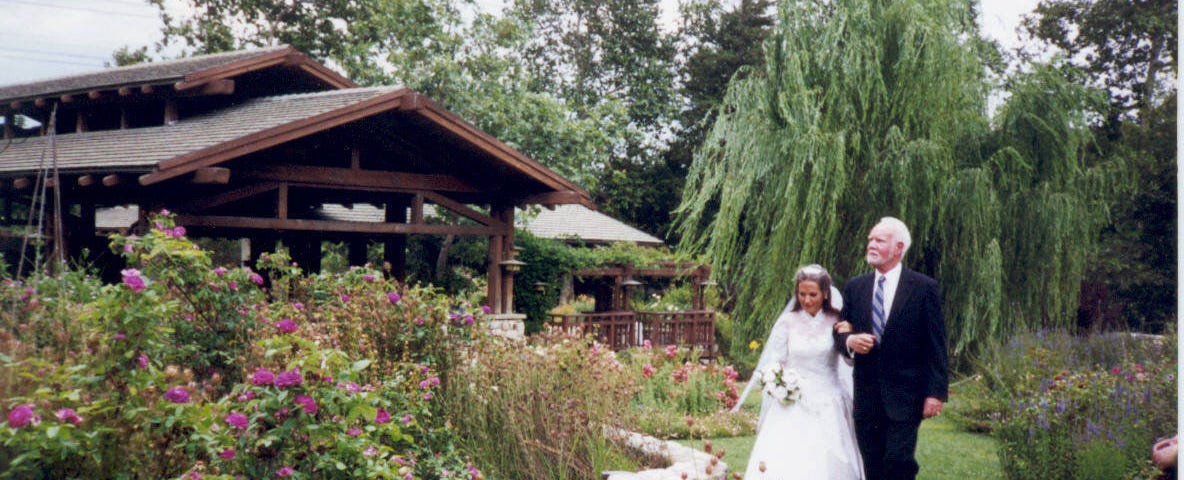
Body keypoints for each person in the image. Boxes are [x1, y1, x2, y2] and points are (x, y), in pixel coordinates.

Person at [833, 217, 948, 480]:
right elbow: (840, 329)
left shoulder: (923, 288)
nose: (871, 245)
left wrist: (935, 393)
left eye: (879, 240)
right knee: (872, 465)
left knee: (898, 461)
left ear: (898, 248)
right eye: (870, 239)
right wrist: (850, 341)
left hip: (905, 395)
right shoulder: (856, 286)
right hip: (867, 396)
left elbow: (936, 343)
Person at [733, 264, 864, 479]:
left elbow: (849, 361)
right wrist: (780, 382)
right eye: (802, 294)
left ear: (825, 294)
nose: (807, 300)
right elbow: (774, 360)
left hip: (828, 400)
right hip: (793, 401)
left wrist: (851, 341)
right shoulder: (787, 322)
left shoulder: (837, 320)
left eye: (813, 294)